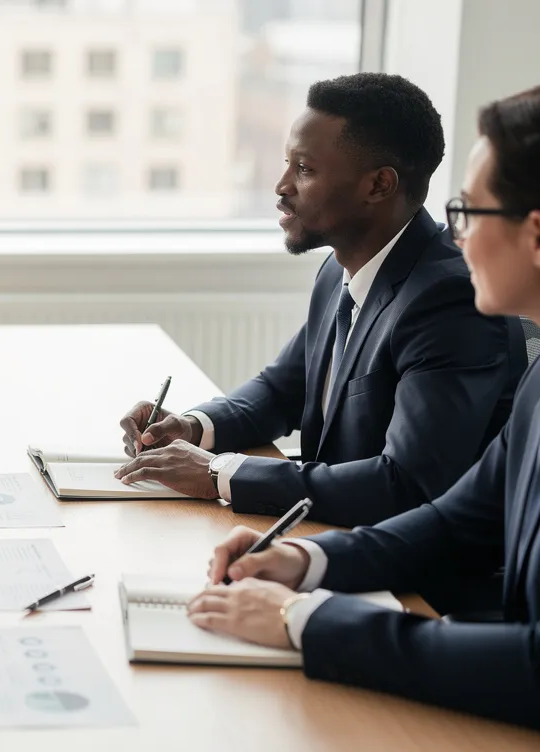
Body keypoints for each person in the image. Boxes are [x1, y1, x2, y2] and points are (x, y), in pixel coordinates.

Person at [187, 85, 540, 730]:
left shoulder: (445, 295)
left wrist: (306, 619)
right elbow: (457, 517)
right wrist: (307, 562)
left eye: (469, 213)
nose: (456, 237)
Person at [116, 73, 525, 527]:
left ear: (378, 186)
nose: (281, 185)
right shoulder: (339, 270)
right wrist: (192, 426)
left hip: (410, 572)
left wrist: (219, 473)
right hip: (329, 532)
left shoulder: (449, 300)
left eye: (304, 169)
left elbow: (406, 485)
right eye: (287, 164)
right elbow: (280, 390)